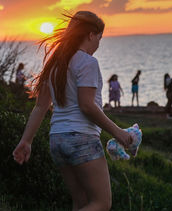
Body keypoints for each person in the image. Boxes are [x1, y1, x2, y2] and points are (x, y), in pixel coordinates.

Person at [12, 11, 132, 211]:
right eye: (99, 38)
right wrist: (118, 132)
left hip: (57, 139)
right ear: (91, 35)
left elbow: (40, 106)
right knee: (102, 203)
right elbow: (86, 105)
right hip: (81, 139)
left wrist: (26, 140)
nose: (98, 45)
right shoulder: (87, 62)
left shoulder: (55, 63)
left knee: (82, 202)